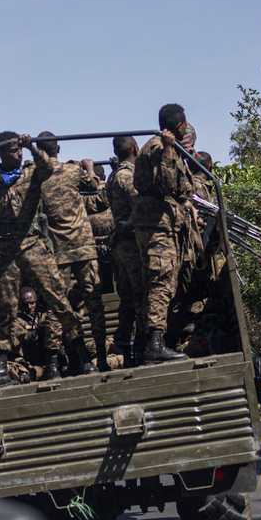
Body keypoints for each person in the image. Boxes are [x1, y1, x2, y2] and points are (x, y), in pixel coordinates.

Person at [0, 132, 87, 386]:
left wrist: (33, 148)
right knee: (6, 307)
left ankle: (81, 354)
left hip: (33, 244)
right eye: (13, 150)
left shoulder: (31, 172)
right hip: (6, 251)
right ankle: (1, 367)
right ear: (1, 154)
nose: (19, 154)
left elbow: (48, 168)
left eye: (20, 149)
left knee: (57, 297)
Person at [34, 131, 107, 374]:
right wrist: (89, 168)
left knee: (59, 306)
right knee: (93, 300)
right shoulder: (73, 171)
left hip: (58, 250)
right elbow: (96, 188)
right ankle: (102, 357)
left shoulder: (37, 177)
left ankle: (53, 362)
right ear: (58, 149)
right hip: (84, 245)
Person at [132, 104, 196, 363]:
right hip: (157, 226)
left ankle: (152, 343)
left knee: (160, 283)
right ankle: (155, 344)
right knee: (161, 281)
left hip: (160, 223)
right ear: (179, 125)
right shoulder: (160, 147)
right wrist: (170, 149)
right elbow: (168, 184)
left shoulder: (156, 145)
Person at [104, 135, 145, 366]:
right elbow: (141, 207)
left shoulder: (114, 175)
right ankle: (140, 348)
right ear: (135, 148)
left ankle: (124, 344)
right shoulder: (127, 176)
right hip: (130, 245)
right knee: (140, 297)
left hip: (122, 245)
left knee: (128, 300)